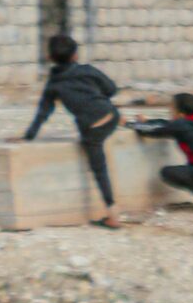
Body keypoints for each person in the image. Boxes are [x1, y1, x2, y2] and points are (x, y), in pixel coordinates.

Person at [22, 34, 124, 228]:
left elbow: (43, 112)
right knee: (108, 113)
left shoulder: (53, 84)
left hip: (91, 129)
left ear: (50, 58)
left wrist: (28, 136)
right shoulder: (87, 70)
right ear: (75, 56)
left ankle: (113, 215)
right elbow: (111, 89)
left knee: (99, 169)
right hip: (112, 115)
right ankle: (121, 120)